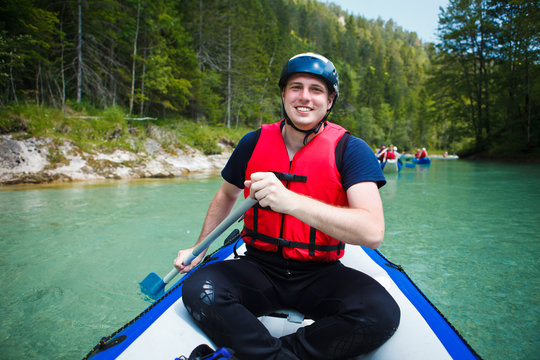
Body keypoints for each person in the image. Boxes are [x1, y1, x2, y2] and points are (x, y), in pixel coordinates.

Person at [174, 53, 400, 360]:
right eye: (296, 87)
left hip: (321, 274)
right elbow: (226, 195)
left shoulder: (352, 150)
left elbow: (372, 232)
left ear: (330, 101)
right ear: (283, 94)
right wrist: (200, 247)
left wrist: (291, 201)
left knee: (381, 313)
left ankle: (275, 354)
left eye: (316, 90)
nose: (304, 97)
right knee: (198, 289)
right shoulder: (253, 143)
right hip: (259, 268)